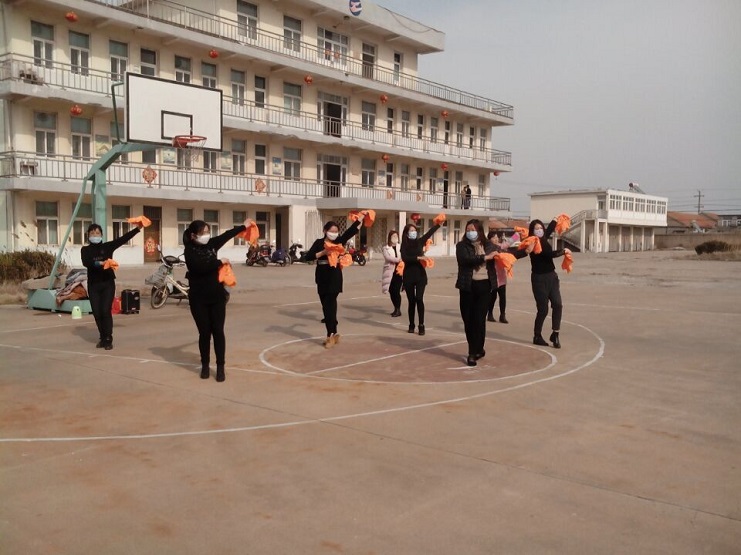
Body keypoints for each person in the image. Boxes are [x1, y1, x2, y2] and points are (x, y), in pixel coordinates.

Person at [184, 218, 253, 381]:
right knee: (204, 333)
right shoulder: (189, 251)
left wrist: (244, 226)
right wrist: (219, 261)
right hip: (198, 299)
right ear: (193, 235)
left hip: (216, 297)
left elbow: (227, 235)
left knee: (218, 331)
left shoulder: (212, 244)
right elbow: (199, 267)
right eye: (203, 233)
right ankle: (205, 365)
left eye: (208, 232)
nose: (207, 235)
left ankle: (220, 366)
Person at [304, 212, 368, 347]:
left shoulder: (339, 241)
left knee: (330, 304)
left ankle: (330, 334)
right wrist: (323, 253)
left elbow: (350, 232)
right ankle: (334, 331)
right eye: (331, 231)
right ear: (325, 231)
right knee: (326, 305)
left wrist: (360, 218)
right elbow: (308, 257)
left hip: (334, 276)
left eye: (336, 231)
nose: (333, 233)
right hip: (322, 275)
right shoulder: (319, 243)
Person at [81, 222, 143, 350]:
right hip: (93, 285)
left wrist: (137, 228)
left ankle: (108, 338)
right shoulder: (85, 250)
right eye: (92, 233)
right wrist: (100, 263)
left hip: (107, 283)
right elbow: (87, 262)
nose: (95, 235)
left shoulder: (107, 247)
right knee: (97, 313)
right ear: (88, 235)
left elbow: (123, 239)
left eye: (97, 233)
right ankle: (102, 337)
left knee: (105, 310)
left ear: (101, 235)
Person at [517, 218, 571, 348]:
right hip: (539, 279)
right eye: (536, 228)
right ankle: (537, 336)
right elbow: (548, 254)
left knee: (558, 304)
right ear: (532, 231)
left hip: (552, 276)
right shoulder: (532, 241)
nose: (539, 230)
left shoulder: (544, 238)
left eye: (541, 228)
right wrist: (563, 251)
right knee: (543, 309)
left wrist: (555, 220)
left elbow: (549, 230)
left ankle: (555, 334)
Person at [456, 220, 498, 366]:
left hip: (484, 286)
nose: (470, 232)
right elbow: (465, 260)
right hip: (467, 286)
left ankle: (473, 352)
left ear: (479, 231)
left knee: (479, 320)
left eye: (473, 229)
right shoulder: (462, 246)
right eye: (468, 230)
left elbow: (507, 252)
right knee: (468, 320)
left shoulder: (489, 245)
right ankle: (477, 349)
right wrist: (485, 257)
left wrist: (525, 250)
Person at [400, 219, 441, 335]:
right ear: (407, 233)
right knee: (411, 301)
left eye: (415, 230)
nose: (414, 232)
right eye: (411, 231)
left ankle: (421, 325)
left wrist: (438, 225)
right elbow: (405, 258)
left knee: (419, 299)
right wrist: (418, 258)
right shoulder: (404, 245)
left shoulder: (420, 241)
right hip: (408, 275)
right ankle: (411, 324)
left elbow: (429, 233)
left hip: (420, 275)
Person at [486, 231, 509, 324]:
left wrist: (517, 235)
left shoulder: (500, 247)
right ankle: (490, 314)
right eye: (493, 237)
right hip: (493, 276)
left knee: (503, 296)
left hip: (502, 275)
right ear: (489, 239)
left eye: (496, 237)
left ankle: (502, 315)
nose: (495, 239)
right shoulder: (488, 247)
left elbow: (508, 244)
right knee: (493, 296)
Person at [381, 230, 403, 317]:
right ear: (389, 238)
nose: (395, 238)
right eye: (393, 236)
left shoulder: (400, 247)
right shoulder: (386, 248)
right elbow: (388, 257)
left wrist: (401, 260)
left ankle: (398, 309)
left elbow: (404, 255)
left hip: (399, 271)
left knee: (396, 290)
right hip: (390, 271)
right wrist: (398, 260)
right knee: (391, 290)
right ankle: (395, 307)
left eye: (396, 236)